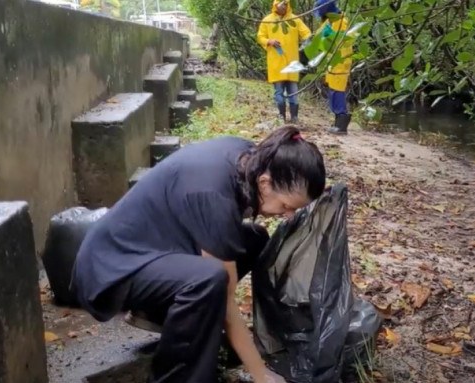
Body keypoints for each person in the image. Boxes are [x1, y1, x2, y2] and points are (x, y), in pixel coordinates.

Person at [72, 126, 326, 383]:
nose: (288, 215)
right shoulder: (212, 194)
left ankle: (159, 314)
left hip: (154, 247)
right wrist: (260, 373)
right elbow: (226, 302)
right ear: (265, 182)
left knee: (255, 239)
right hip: (111, 269)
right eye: (286, 206)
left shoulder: (250, 158)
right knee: (209, 279)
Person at [257, 1, 312, 123]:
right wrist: (269, 41)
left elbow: (306, 33)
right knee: (279, 92)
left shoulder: (294, 20)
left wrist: (306, 44)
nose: (283, 7)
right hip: (276, 62)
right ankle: (281, 115)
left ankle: (294, 117)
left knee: (293, 92)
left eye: (285, 4)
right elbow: (260, 36)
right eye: (281, 4)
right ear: (275, 4)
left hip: (292, 62)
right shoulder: (268, 20)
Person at [314, 0, 352, 135]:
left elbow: (340, 41)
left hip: (340, 61)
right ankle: (338, 121)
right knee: (333, 90)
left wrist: (328, 35)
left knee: (337, 91)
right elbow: (318, 37)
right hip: (332, 62)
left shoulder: (342, 22)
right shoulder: (329, 21)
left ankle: (342, 122)